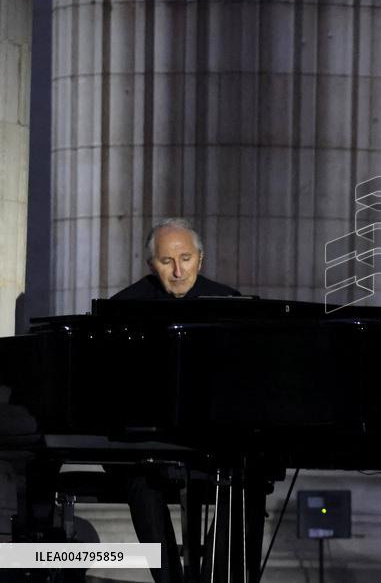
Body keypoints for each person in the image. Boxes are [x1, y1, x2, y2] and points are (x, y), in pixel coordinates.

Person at [111, 218, 245, 583]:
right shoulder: (123, 307)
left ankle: (213, 578)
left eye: (185, 259)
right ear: (151, 264)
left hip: (213, 434)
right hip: (145, 437)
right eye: (167, 261)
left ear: (200, 260)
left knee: (247, 478)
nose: (177, 270)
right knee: (140, 479)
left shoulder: (231, 304)